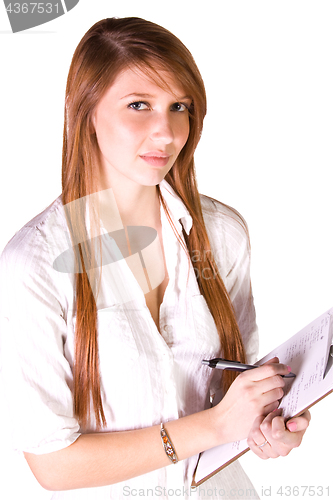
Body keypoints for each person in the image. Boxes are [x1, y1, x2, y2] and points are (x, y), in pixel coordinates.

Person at [0, 17, 310, 499]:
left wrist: (265, 428)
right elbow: (52, 465)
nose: (166, 132)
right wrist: (213, 427)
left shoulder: (223, 235)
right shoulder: (35, 265)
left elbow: (234, 393)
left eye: (179, 107)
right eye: (139, 105)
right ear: (86, 111)